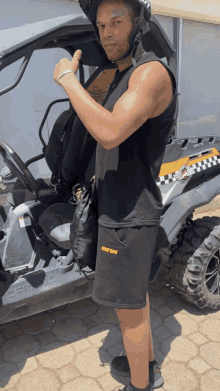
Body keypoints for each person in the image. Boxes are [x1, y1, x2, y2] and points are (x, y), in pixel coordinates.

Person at [54, 0, 177, 390]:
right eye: (101, 24)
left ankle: (141, 385)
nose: (106, 32)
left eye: (116, 22)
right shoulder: (123, 74)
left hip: (130, 215)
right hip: (116, 206)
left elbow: (109, 131)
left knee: (129, 311)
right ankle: (148, 366)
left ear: (138, 22)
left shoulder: (151, 74)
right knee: (133, 300)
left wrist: (68, 81)